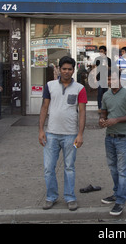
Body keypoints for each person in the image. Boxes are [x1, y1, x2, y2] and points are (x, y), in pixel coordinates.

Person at [38, 56, 87, 211]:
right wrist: (41, 130)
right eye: (64, 69)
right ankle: (51, 197)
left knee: (69, 167)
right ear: (59, 69)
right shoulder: (49, 86)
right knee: (48, 168)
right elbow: (44, 108)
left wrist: (80, 134)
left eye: (69, 69)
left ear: (74, 70)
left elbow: (82, 112)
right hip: (51, 133)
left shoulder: (80, 88)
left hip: (71, 135)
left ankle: (70, 197)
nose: (66, 71)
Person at [99, 69, 126, 216]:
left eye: (113, 79)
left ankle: (120, 200)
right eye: (108, 79)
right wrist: (102, 120)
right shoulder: (106, 95)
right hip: (110, 136)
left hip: (124, 137)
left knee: (123, 170)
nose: (111, 82)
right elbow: (103, 112)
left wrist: (117, 120)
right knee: (113, 168)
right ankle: (117, 193)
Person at [94, 46, 111, 112]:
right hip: (99, 78)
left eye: (102, 51)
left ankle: (105, 108)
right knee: (100, 93)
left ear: (105, 52)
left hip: (106, 79)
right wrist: (95, 78)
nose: (101, 53)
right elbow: (95, 69)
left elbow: (110, 69)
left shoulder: (108, 59)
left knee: (106, 94)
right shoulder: (97, 59)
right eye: (100, 51)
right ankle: (99, 108)